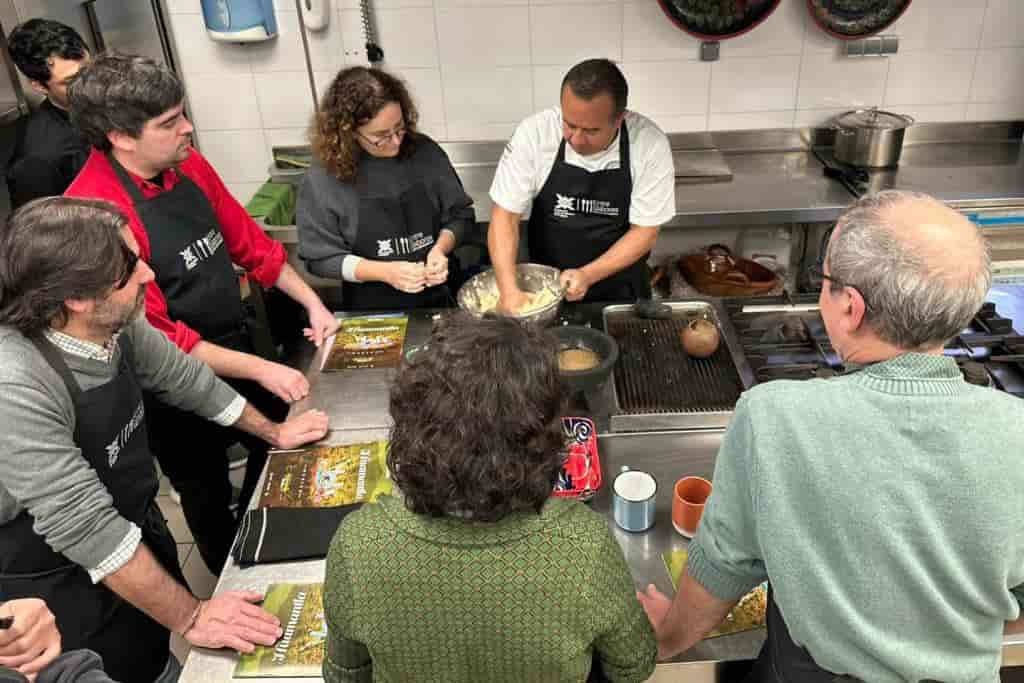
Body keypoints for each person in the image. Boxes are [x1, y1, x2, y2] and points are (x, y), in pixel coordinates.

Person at [637, 191, 1024, 682]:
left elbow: (723, 567)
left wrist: (667, 638)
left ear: (851, 308)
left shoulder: (773, 417)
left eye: (825, 281)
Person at [0, 197, 330, 682]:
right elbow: (85, 526)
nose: (149, 275)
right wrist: (193, 617)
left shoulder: (114, 325)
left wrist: (274, 431)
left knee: (156, 654)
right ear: (77, 298)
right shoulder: (16, 383)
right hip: (57, 584)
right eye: (129, 269)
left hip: (133, 529)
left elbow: (184, 378)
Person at [64, 52, 339, 573]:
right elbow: (162, 340)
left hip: (235, 341)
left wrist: (312, 302)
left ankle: (285, 541)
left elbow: (249, 242)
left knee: (281, 441)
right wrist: (262, 369)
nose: (188, 128)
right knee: (205, 489)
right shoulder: (97, 215)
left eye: (183, 113)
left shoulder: (185, 163)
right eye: (169, 122)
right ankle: (234, 573)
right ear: (121, 137)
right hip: (168, 386)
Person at [322, 312, 656, 683]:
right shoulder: (584, 545)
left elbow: (345, 676)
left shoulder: (359, 544)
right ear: (541, 437)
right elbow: (632, 666)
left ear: (410, 428)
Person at [487, 58, 675, 310]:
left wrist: (587, 275)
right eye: (569, 124)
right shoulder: (535, 134)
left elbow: (645, 232)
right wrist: (509, 290)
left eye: (591, 131)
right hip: (545, 293)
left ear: (619, 119)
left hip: (622, 295)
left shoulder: (648, 144)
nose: (575, 139)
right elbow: (505, 217)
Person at [297, 66, 475, 310]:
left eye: (399, 128)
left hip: (440, 299)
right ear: (348, 131)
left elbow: (461, 216)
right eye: (381, 136)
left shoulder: (425, 153)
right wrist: (385, 272)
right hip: (373, 310)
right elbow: (320, 259)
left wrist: (440, 250)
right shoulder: (325, 177)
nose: (396, 141)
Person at [5, 19, 90, 209]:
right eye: (71, 81)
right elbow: (38, 225)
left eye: (88, 70)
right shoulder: (37, 160)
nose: (88, 83)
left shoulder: (111, 100)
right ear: (39, 86)